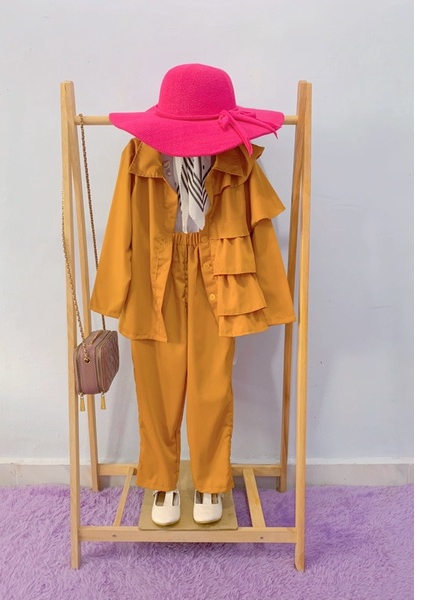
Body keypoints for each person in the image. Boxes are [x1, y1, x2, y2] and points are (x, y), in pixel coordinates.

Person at [91, 63, 296, 526]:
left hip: (218, 271)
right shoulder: (138, 154)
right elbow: (121, 223)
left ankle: (210, 483)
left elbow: (259, 229)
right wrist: (114, 291)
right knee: (156, 383)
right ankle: (161, 482)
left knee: (211, 383)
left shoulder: (238, 158)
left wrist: (273, 296)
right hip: (154, 271)